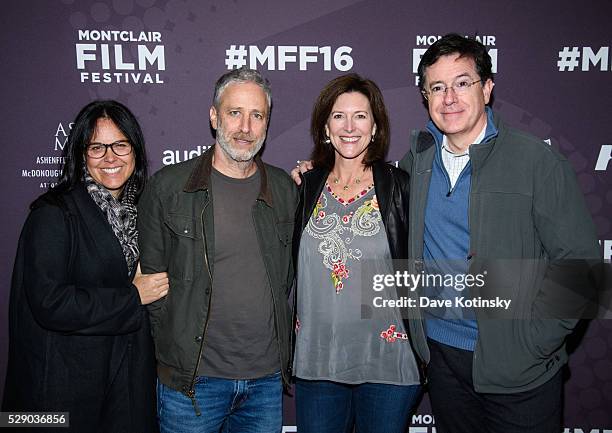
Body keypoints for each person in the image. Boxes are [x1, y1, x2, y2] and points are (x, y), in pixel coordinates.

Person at [398, 33, 600, 433]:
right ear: (425, 98)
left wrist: (535, 343)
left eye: (462, 83)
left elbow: (581, 267)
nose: (449, 97)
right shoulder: (414, 161)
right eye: (437, 87)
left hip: (520, 369)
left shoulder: (536, 161)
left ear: (487, 89)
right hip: (442, 359)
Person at [137, 67, 297, 433]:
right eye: (234, 113)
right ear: (214, 116)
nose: (245, 127)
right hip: (193, 383)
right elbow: (152, 287)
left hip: (265, 380)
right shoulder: (169, 188)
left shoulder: (286, 191)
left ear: (267, 123)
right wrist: (175, 351)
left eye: (257, 115)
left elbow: (287, 279)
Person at [3, 100, 169, 432]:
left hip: (127, 390)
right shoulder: (53, 214)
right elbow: (50, 303)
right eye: (97, 147)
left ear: (135, 151)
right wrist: (131, 297)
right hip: (63, 395)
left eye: (120, 145)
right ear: (81, 155)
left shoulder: (144, 212)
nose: (111, 157)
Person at [292, 73, 427, 433]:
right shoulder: (303, 188)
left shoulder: (401, 187)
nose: (349, 126)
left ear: (376, 125)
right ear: (325, 126)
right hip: (317, 360)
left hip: (388, 362)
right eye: (338, 116)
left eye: (361, 115)